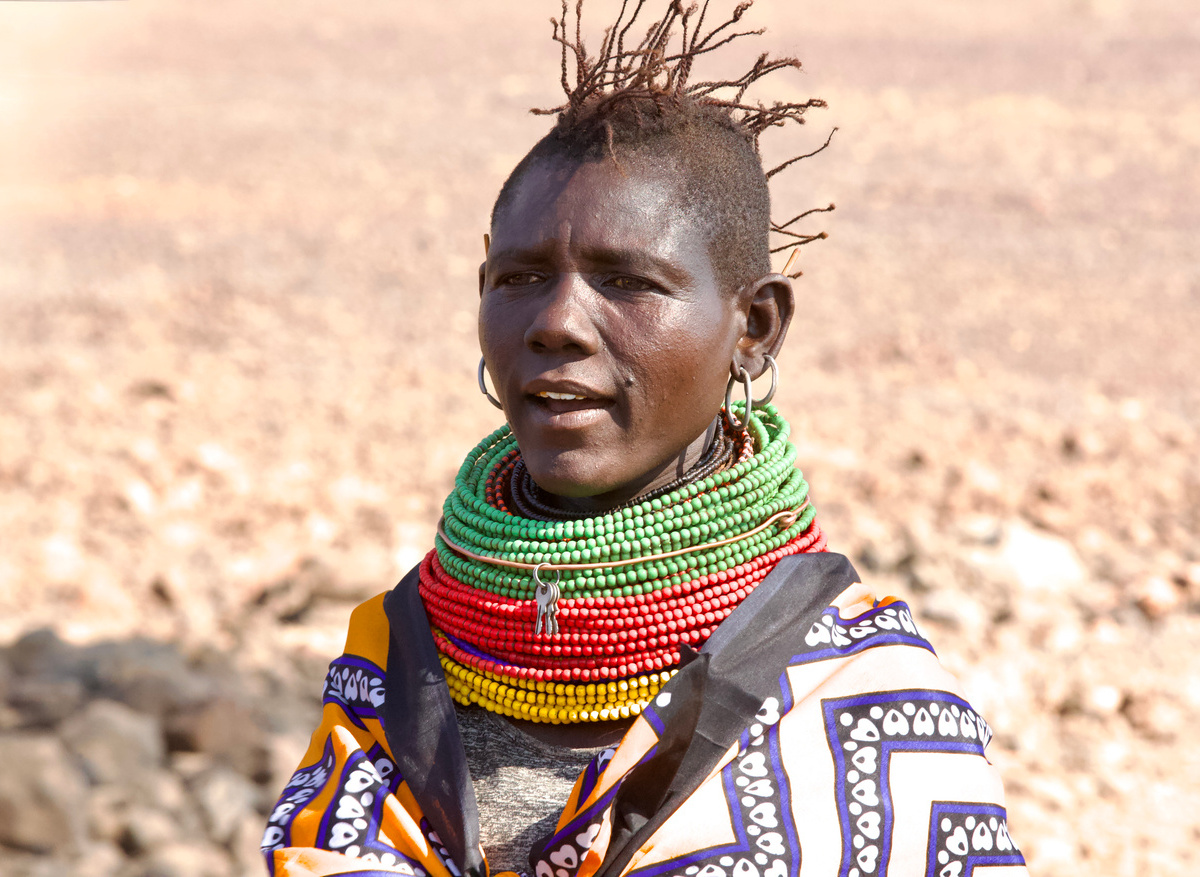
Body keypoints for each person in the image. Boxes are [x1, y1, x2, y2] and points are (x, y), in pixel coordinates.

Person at [261, 3, 1028, 876]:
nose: (555, 322)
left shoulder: (871, 710)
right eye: (520, 278)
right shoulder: (396, 656)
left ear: (755, 327)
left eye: (627, 282)